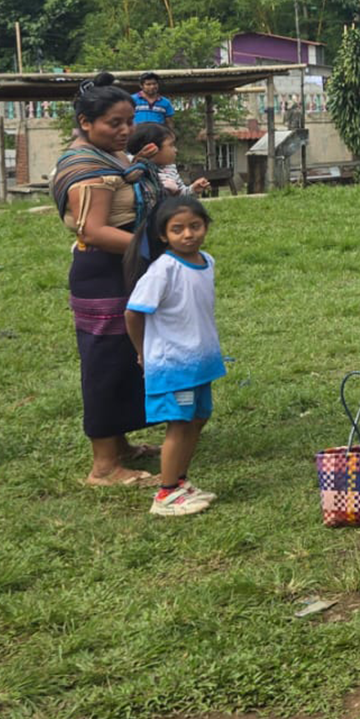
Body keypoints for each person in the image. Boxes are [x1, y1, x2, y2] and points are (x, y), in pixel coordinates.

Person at [51, 72, 161, 487]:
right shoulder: (87, 170)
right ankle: (104, 467)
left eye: (129, 121)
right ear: (85, 122)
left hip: (123, 269)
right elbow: (93, 231)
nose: (125, 130)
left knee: (127, 358)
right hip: (103, 273)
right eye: (114, 123)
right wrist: (158, 250)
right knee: (107, 364)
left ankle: (121, 444)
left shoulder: (109, 156)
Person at [123, 195, 224, 516]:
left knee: (198, 418)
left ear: (206, 226)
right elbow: (133, 313)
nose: (188, 234)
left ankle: (180, 482)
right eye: (177, 229)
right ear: (163, 235)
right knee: (179, 424)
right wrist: (143, 352)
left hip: (200, 362)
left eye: (195, 226)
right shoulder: (162, 270)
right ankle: (166, 494)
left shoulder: (207, 261)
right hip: (173, 365)